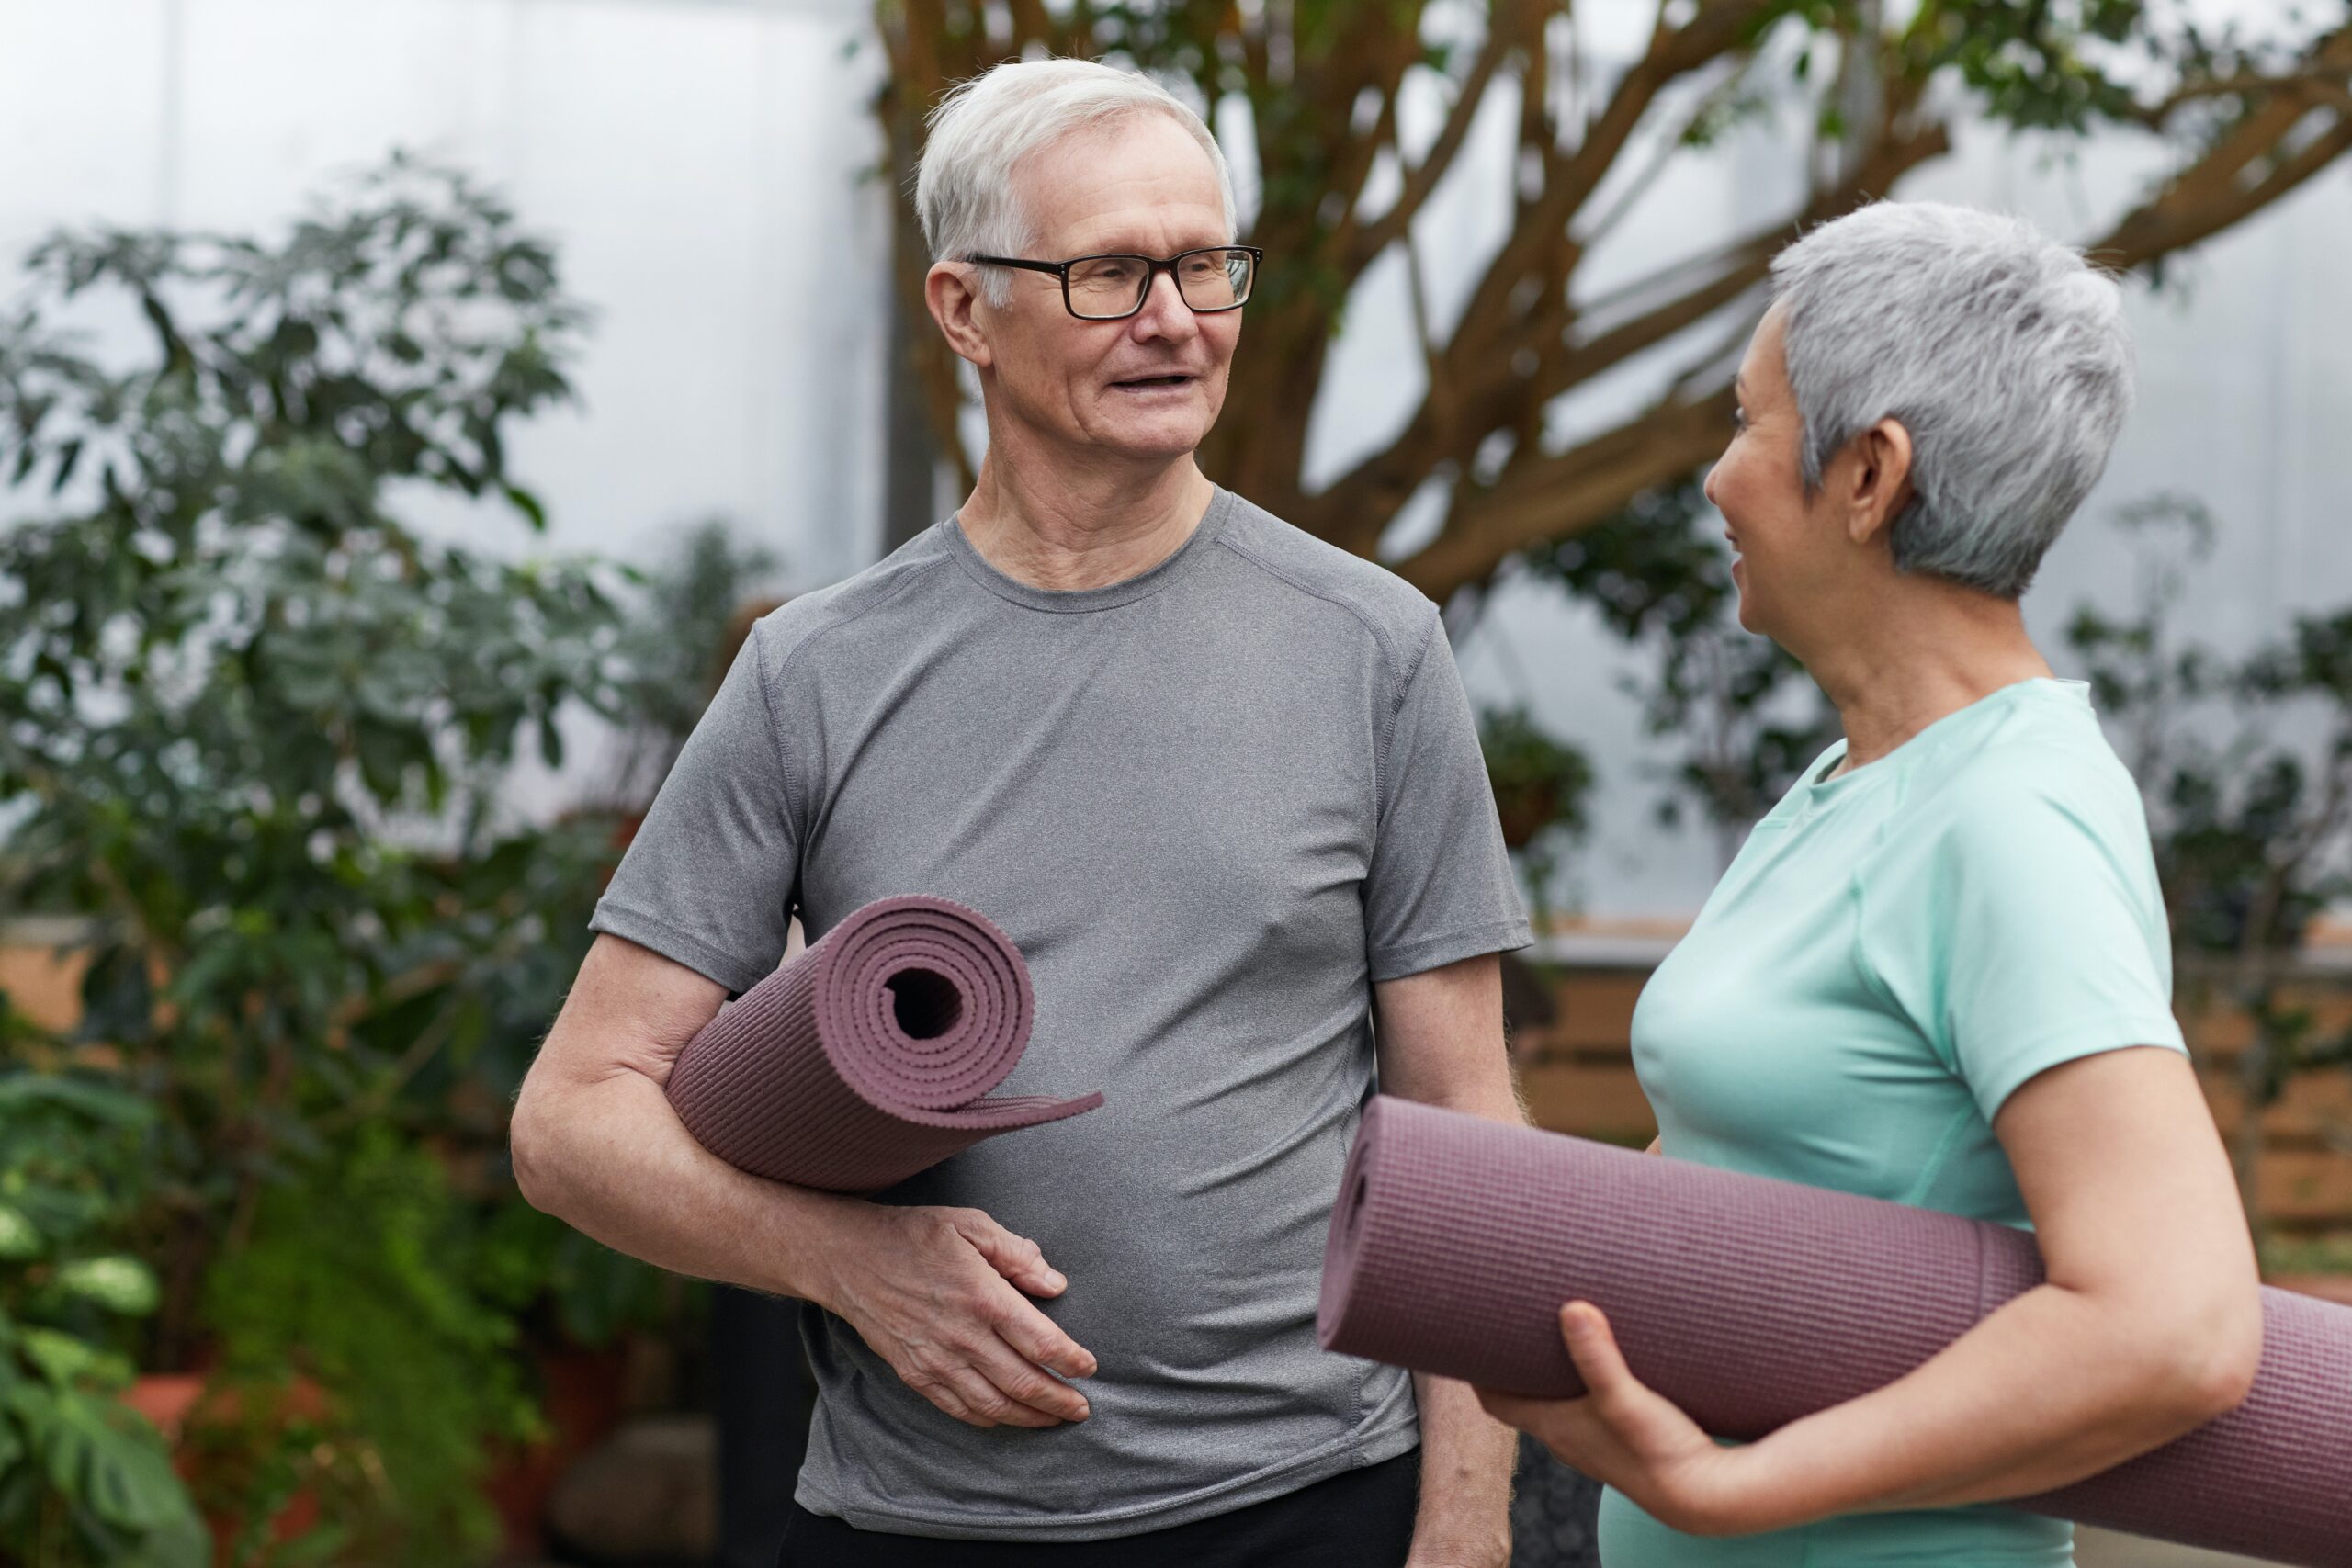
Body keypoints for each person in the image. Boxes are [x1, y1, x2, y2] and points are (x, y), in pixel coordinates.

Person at [510, 57, 1531, 1567]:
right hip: (911, 1520)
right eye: (1113, 270)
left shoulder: (1371, 648)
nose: (1176, 318)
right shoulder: (814, 672)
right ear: (964, 309)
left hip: (1309, 1509)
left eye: (1204, 263)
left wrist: (1465, 1523)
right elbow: (570, 1122)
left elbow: (1466, 1125)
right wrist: (851, 1263)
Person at [1474, 200, 2262, 1566]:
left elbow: (2176, 1324)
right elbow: (1776, 1161)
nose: (1716, 477)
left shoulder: (2011, 817)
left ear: (1867, 476)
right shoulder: (1862, 779)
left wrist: (1743, 1489)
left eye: (1748, 423)